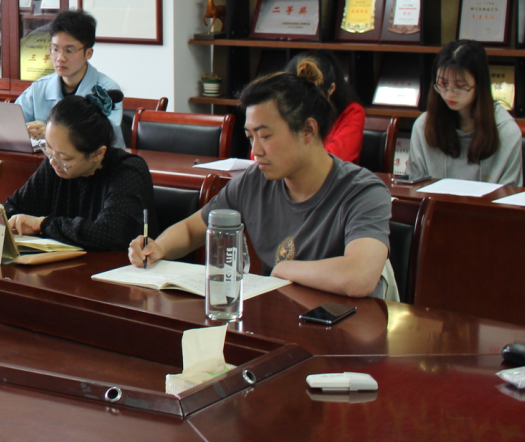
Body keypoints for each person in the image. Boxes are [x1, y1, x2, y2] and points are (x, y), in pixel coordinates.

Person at [131, 71, 391, 298]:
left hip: (345, 326)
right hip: (279, 317)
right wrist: (158, 248)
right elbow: (192, 229)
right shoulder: (254, 181)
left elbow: (359, 277)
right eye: (250, 137)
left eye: (265, 136)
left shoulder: (362, 191)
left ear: (308, 131)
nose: (255, 152)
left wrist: (284, 269)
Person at [4, 95, 155, 251]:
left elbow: (110, 233)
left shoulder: (128, 170)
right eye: (48, 147)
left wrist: (43, 225)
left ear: (98, 154)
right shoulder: (55, 162)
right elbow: (14, 207)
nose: (53, 161)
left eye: (65, 157)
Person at [405, 39, 522, 185]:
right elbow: (413, 187)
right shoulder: (424, 126)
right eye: (443, 84)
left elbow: (510, 194)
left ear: (479, 85)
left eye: (460, 86)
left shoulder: (507, 132)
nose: (449, 94)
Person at [15, 9, 125, 148]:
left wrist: (50, 133)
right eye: (55, 49)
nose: (60, 58)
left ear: (88, 53)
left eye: (69, 51)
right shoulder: (39, 88)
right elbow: (12, 124)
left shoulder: (106, 90)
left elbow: (107, 139)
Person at [285, 51, 364, 163]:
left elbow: (335, 158)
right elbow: (265, 153)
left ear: (331, 89)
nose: (305, 103)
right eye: (297, 95)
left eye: (313, 95)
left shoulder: (352, 111)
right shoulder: (281, 109)